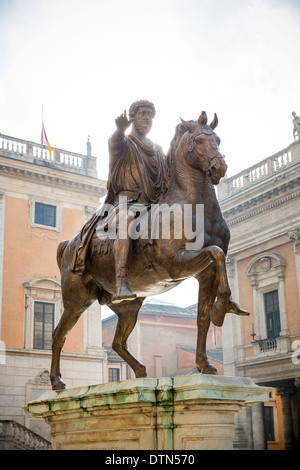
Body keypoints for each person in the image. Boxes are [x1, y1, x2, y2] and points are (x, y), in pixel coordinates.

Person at [107, 100, 165, 303]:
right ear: (133, 117)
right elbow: (114, 144)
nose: (147, 118)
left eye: (150, 114)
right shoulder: (124, 143)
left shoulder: (157, 149)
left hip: (154, 204)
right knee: (126, 221)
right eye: (143, 113)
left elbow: (167, 178)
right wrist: (119, 130)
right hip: (127, 202)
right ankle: (121, 282)